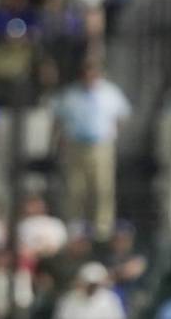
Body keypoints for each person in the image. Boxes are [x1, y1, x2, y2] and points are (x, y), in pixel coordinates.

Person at [50, 58, 131, 240]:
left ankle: (102, 229)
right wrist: (57, 143)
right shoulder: (70, 94)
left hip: (101, 145)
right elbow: (58, 120)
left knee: (102, 186)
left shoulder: (111, 93)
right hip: (75, 145)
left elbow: (121, 116)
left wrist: (111, 136)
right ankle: (74, 227)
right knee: (75, 187)